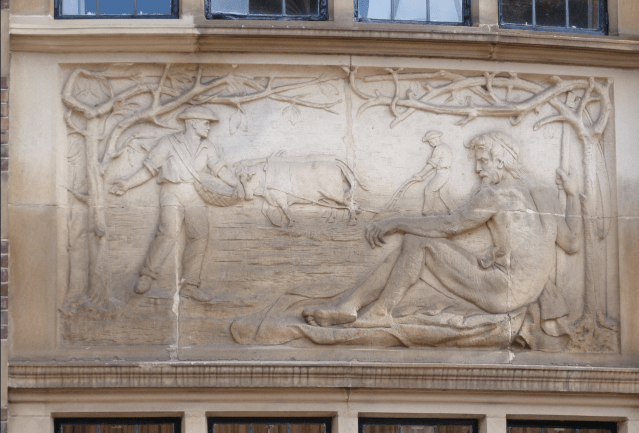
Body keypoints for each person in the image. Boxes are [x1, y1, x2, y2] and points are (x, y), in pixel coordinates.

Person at [303, 131, 582, 328]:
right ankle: (351, 306)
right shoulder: (545, 192)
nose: (478, 169)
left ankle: (379, 312)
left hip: (503, 289)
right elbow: (572, 243)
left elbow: (449, 225)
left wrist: (394, 222)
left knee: (417, 243)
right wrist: (572, 195)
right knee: (412, 248)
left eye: (483, 161)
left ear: (501, 161)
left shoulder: (496, 195)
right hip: (526, 290)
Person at [110, 106, 240, 302]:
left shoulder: (208, 147)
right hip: (172, 192)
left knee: (200, 236)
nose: (208, 127)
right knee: (168, 232)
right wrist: (127, 184)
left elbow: (220, 170)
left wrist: (238, 185)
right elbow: (149, 170)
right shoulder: (168, 143)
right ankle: (148, 275)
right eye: (205, 123)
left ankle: (190, 285)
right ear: (192, 123)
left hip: (196, 194)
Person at [413, 130, 455, 214]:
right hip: (446, 172)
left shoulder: (439, 148)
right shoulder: (446, 146)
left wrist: (420, 174)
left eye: (430, 141)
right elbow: (436, 166)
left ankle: (428, 211)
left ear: (435, 139)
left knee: (429, 189)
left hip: (442, 173)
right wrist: (424, 176)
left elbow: (432, 165)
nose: (430, 143)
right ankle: (455, 210)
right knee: (443, 194)